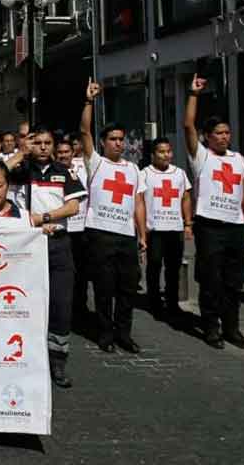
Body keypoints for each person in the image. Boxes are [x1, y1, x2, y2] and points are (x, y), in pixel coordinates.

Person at [6, 128, 86, 388]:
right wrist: (21, 152)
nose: (41, 147)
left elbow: (73, 206)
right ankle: (25, 360)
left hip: (57, 244)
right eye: (37, 143)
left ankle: (58, 363)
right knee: (25, 305)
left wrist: (44, 218)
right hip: (27, 246)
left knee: (61, 306)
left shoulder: (64, 172)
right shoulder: (21, 170)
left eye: (46, 143)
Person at [185, 74, 244, 349]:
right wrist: (193, 95)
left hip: (235, 227)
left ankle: (232, 328)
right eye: (219, 133)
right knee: (211, 279)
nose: (224, 137)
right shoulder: (202, 157)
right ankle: (211, 327)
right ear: (208, 137)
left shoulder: (239, 159)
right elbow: (187, 125)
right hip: (210, 226)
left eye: (227, 133)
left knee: (234, 281)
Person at [80, 79, 148, 353]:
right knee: (105, 288)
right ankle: (105, 334)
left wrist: (142, 235)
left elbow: (139, 203)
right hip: (100, 233)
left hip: (126, 236)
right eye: (113, 139)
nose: (118, 144)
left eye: (121, 139)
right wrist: (89, 102)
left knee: (128, 288)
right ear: (103, 142)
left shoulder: (134, 169)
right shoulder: (96, 162)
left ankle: (124, 334)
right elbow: (84, 131)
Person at [139, 138, 193, 322]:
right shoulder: (145, 174)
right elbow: (139, 202)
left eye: (168, 151)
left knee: (173, 268)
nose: (166, 155)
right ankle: (153, 301)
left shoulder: (179, 174)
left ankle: (172, 302)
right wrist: (141, 230)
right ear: (153, 154)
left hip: (174, 228)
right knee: (154, 265)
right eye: (161, 152)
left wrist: (187, 224)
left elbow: (185, 198)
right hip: (154, 229)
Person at [57, 139, 91, 325]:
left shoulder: (83, 167)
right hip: (62, 229)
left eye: (66, 152)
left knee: (81, 272)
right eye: (60, 152)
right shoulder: (53, 171)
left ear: (73, 152)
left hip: (81, 229)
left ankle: (81, 308)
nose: (63, 155)